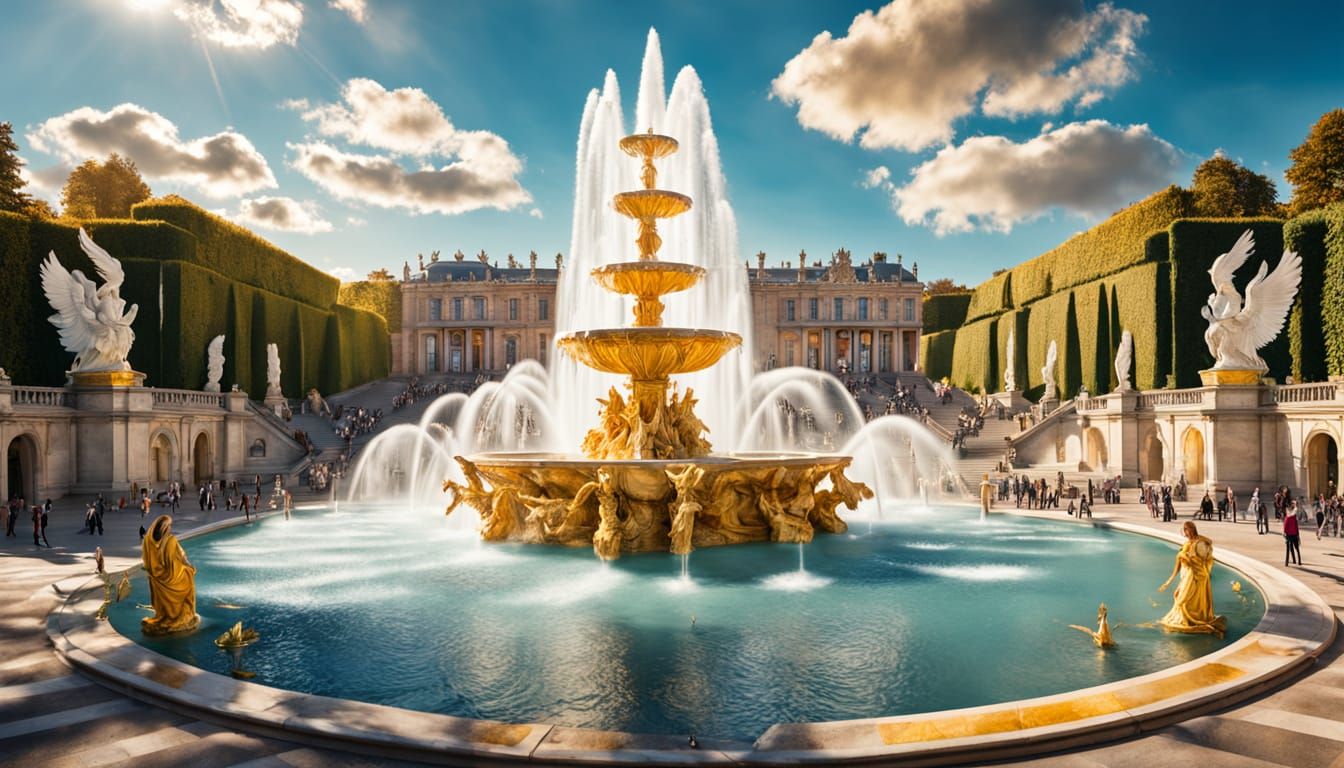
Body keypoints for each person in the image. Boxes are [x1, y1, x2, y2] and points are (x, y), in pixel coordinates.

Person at [1158, 522, 1227, 636]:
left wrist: (1190, 560)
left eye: (1188, 530)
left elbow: (1204, 560)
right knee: (1180, 596)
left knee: (1185, 598)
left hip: (1197, 575)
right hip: (1188, 575)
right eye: (1185, 531)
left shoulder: (1200, 543)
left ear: (1193, 529)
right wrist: (1168, 582)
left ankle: (1194, 619)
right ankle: (1189, 619)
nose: (1186, 533)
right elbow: (1178, 566)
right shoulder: (1187, 544)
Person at [140, 515, 199, 635]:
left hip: (157, 578)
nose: (171, 528)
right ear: (165, 528)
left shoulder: (148, 541)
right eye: (169, 526)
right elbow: (180, 558)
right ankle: (181, 614)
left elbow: (148, 563)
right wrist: (190, 567)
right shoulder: (171, 540)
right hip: (171, 577)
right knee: (188, 575)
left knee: (187, 572)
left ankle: (166, 614)